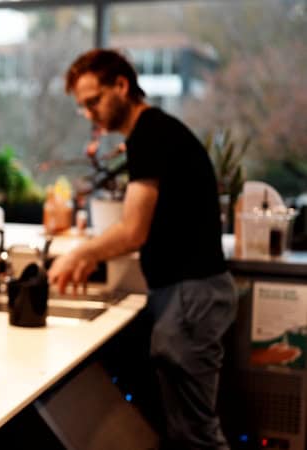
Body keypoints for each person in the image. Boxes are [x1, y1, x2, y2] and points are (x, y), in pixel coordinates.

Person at [49, 49, 237, 450]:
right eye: (82, 107)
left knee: (196, 437)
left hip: (191, 297)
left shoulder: (150, 133)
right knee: (187, 432)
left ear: (121, 85)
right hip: (188, 295)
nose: (89, 114)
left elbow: (133, 230)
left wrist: (81, 254)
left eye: (93, 101)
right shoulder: (155, 133)